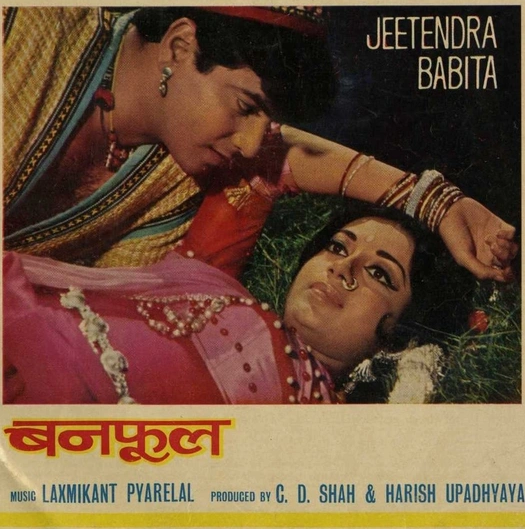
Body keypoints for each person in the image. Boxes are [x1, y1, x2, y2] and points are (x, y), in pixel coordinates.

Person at [4, 5, 516, 279]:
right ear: (180, 46)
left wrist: (436, 202)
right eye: (247, 106)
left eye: (265, 123)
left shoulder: (175, 185)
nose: (250, 146)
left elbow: (101, 333)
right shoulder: (24, 29)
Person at [3, 192, 516, 405]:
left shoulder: (333, 439)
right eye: (338, 247)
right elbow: (267, 164)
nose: (343, 266)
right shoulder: (212, 279)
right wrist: (436, 199)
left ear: (398, 336)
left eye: (380, 274)